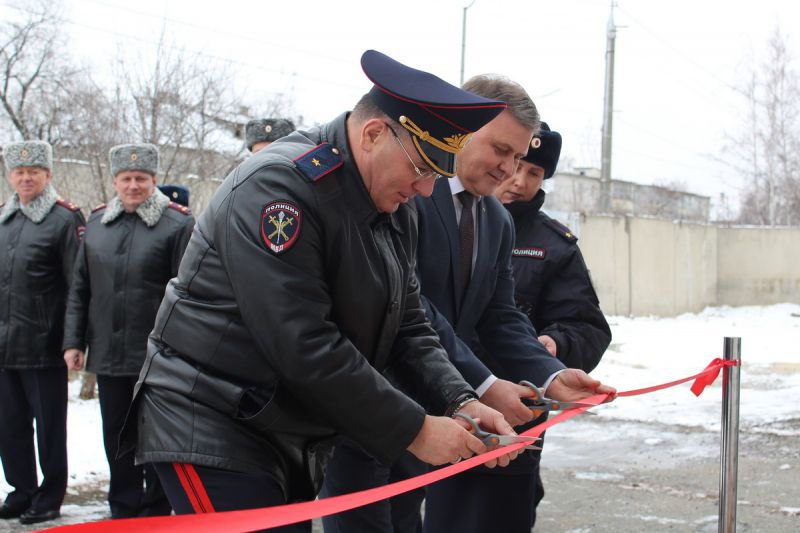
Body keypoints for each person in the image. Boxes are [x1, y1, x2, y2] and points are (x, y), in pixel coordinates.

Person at [120, 50, 522, 532]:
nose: (425, 189)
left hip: (283, 426)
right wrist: (414, 429)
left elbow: (408, 323)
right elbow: (303, 342)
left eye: (438, 173)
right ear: (374, 135)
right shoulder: (279, 188)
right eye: (422, 168)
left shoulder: (394, 202)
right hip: (210, 421)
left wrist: (460, 401)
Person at [320, 76, 616, 533]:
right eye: (501, 150)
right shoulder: (407, 190)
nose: (510, 170)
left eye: (519, 158)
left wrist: (550, 374)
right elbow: (410, 306)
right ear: (463, 127)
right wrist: (482, 383)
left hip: (434, 417)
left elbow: (501, 315)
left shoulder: (496, 219)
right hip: (372, 412)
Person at [62, 143, 194, 519]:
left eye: (141, 178)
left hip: (159, 357)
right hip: (108, 353)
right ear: (115, 181)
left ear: (153, 181)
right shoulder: (98, 223)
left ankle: (155, 507)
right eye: (126, 179)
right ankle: (122, 506)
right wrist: (73, 342)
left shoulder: (178, 224)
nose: (133, 185)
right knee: (115, 437)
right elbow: (80, 289)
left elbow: (188, 294)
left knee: (157, 439)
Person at [494, 122, 612, 525]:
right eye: (516, 165)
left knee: (504, 512)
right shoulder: (443, 221)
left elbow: (588, 326)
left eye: (535, 173)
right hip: (436, 397)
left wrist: (554, 344)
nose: (519, 181)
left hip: (517, 409)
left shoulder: (554, 246)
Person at [0, 140, 85, 525]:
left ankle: (49, 496)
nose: (25, 177)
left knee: (49, 429)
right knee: (10, 426)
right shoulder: (3, 217)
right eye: (18, 171)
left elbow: (76, 287)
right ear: (10, 176)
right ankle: (21, 490)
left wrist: (72, 340)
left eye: (33, 171)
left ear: (48, 175)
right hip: (4, 346)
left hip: (43, 343)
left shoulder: (64, 219)